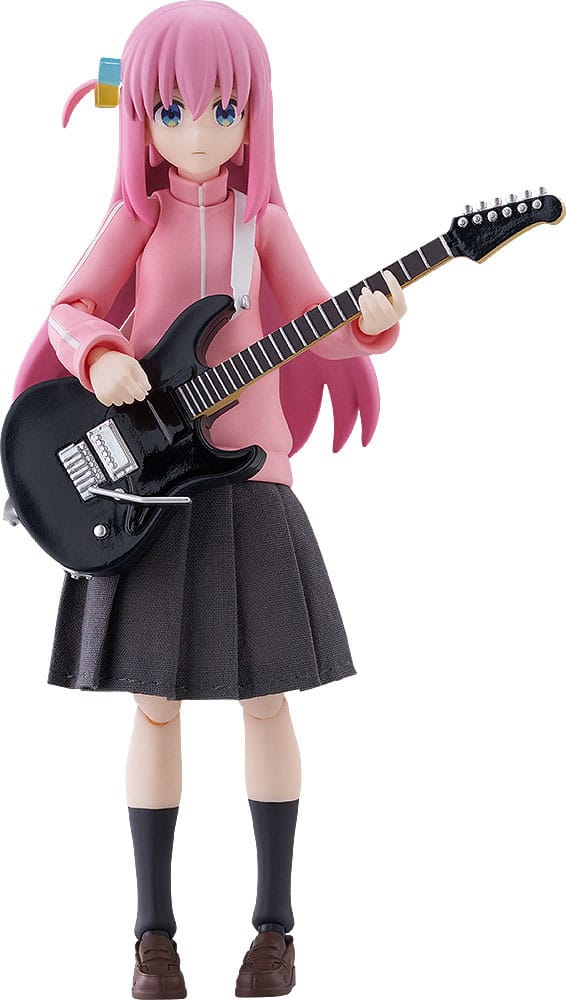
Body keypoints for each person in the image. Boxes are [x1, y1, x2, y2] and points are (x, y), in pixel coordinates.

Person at [11, 3, 406, 997]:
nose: (198, 132)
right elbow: (67, 309)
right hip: (148, 492)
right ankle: (153, 936)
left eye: (223, 110)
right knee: (154, 712)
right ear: (142, 116)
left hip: (250, 484)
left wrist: (372, 325)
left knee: (267, 701)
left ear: (253, 114)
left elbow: (319, 325)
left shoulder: (261, 223)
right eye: (173, 110)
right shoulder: (136, 216)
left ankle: (275, 928)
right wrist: (100, 354)